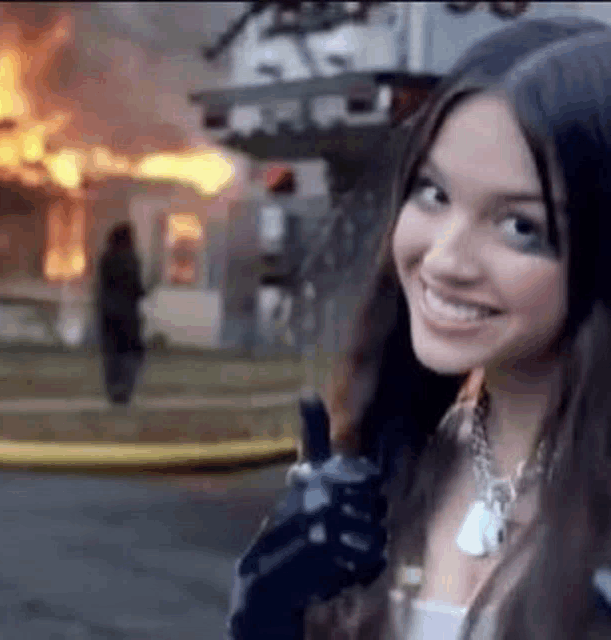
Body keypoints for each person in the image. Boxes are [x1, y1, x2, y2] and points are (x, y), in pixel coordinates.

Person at [226, 15, 611, 640]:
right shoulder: (393, 467)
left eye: (520, 226)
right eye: (432, 193)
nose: (443, 260)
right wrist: (269, 610)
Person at [97, 222, 147, 405]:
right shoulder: (130, 260)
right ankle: (124, 390)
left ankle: (114, 390)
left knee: (112, 356)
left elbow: (103, 288)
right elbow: (136, 288)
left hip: (108, 316)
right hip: (127, 317)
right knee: (131, 355)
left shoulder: (106, 258)